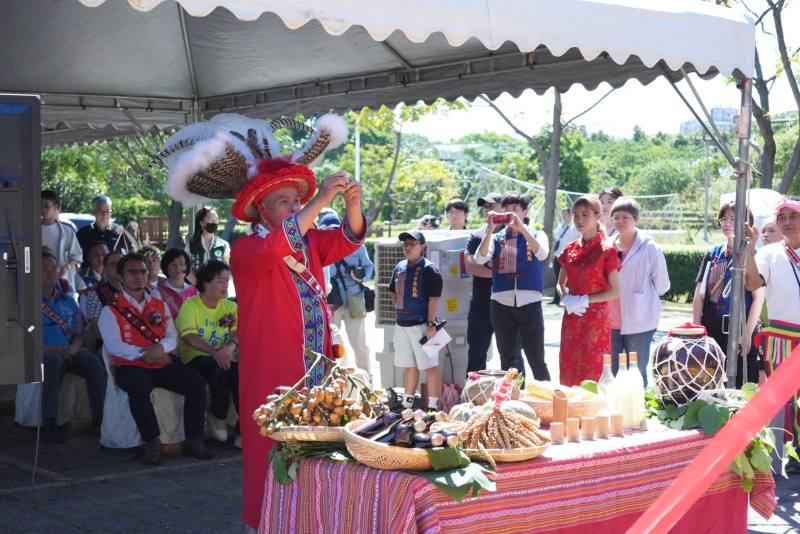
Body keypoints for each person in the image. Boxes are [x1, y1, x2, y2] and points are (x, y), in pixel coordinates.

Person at [98, 253, 212, 465]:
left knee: (195, 382)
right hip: (130, 366)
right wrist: (145, 353)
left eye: (142, 271)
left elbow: (172, 336)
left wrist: (159, 348)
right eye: (132, 272)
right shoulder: (110, 310)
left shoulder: (159, 304)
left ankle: (193, 439)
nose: (139, 276)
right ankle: (151, 442)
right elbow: (113, 345)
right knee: (138, 386)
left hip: (161, 362)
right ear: (121, 278)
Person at [745, 196, 800, 469]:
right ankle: (783, 457)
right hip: (781, 337)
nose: (787, 222)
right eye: (783, 217)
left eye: (793, 216)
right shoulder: (769, 253)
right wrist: (749, 250)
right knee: (783, 400)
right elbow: (753, 283)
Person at [474, 192, 551, 380]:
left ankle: (549, 402)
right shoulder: (496, 237)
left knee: (536, 359)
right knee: (508, 360)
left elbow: (542, 254)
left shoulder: (537, 234)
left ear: (525, 212)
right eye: (506, 210)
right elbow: (479, 257)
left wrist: (522, 229)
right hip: (501, 304)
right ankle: (512, 403)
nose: (510, 214)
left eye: (515, 209)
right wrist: (490, 230)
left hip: (530, 303)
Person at [692, 202, 763, 387]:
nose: (727, 223)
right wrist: (696, 327)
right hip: (712, 326)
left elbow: (758, 298)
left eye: (733, 219)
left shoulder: (755, 254)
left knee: (741, 383)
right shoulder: (713, 253)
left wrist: (747, 333)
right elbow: (700, 293)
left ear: (747, 223)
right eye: (724, 219)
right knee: (709, 381)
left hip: (740, 329)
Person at [40, 248, 106, 442]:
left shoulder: (68, 301)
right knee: (53, 364)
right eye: (44, 268)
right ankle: (49, 422)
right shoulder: (28, 303)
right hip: (44, 352)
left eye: (53, 268)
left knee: (93, 362)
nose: (50, 272)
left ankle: (99, 419)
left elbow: (78, 334)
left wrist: (73, 349)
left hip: (70, 350)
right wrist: (53, 350)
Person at [557, 195, 621, 386]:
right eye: (576, 215)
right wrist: (566, 298)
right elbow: (561, 283)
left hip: (596, 319)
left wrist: (584, 300)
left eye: (585, 215)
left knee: (594, 369)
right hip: (572, 316)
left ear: (598, 216)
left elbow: (616, 291)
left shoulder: (607, 250)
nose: (579, 220)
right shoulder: (569, 249)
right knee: (569, 367)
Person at [176, 260, 240, 444]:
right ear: (205, 282)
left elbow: (237, 332)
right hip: (197, 357)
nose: (225, 285)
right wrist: (215, 352)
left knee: (240, 374)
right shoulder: (191, 305)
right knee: (220, 367)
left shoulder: (230, 307)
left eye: (227, 280)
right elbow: (189, 337)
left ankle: (243, 429)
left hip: (226, 356)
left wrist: (230, 347)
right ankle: (217, 415)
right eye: (220, 281)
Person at [609, 197, 670, 381]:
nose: (619, 221)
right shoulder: (607, 245)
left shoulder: (649, 246)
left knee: (635, 372)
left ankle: (637, 409)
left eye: (625, 217)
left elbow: (662, 285)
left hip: (639, 320)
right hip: (610, 320)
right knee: (610, 372)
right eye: (615, 217)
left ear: (636, 219)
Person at [389, 230, 444, 409]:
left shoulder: (429, 268)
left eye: (413, 243)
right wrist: (398, 303)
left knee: (431, 366)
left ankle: (434, 406)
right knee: (408, 367)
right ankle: (407, 405)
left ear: (422, 246)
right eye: (406, 244)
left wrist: (431, 325)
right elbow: (392, 290)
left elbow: (434, 298)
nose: (408, 247)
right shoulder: (399, 266)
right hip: (402, 325)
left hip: (423, 325)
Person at [320, 211, 375, 376]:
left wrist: (360, 274)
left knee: (359, 343)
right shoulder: (319, 248)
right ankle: (339, 377)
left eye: (334, 228)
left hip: (355, 300)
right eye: (327, 229)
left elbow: (369, 268)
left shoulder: (357, 246)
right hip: (332, 302)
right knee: (334, 342)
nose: (331, 232)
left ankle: (367, 377)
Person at [464, 193, 501, 372]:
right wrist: (502, 271)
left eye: (492, 205)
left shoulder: (512, 233)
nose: (488, 209)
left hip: (508, 306)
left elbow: (520, 269)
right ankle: (472, 395)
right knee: (476, 355)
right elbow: (472, 267)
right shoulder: (476, 235)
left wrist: (488, 268)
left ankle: (514, 397)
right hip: (480, 305)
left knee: (512, 356)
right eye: (485, 206)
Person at [41, 190, 83, 292]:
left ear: (56, 207)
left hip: (64, 282)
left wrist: (66, 268)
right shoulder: (32, 230)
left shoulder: (67, 231)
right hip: (40, 281)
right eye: (40, 206)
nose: (43, 209)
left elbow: (77, 257)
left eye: (47, 206)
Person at [76, 195, 133, 261]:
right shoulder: (83, 233)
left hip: (113, 269)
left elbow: (131, 249)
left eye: (108, 211)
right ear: (93, 211)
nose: (104, 214)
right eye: (100, 210)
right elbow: (75, 255)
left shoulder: (119, 231)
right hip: (89, 270)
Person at [152, 248, 199, 319]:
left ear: (187, 266)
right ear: (166, 267)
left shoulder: (195, 292)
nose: (178, 268)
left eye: (182, 264)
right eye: (173, 264)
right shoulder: (157, 292)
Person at [186, 207, 231, 279]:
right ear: (201, 223)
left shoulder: (223, 245)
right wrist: (197, 284)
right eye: (211, 219)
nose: (215, 222)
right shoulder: (191, 245)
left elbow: (229, 268)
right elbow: (185, 269)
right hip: (197, 288)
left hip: (217, 288)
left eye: (216, 219)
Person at [550, 207, 581, 305]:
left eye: (565, 214)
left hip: (569, 256)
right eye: (563, 214)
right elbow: (556, 240)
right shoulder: (559, 226)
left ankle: (569, 298)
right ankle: (556, 299)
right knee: (557, 278)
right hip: (558, 255)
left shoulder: (574, 227)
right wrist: (552, 253)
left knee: (568, 279)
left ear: (570, 214)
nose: (563, 216)